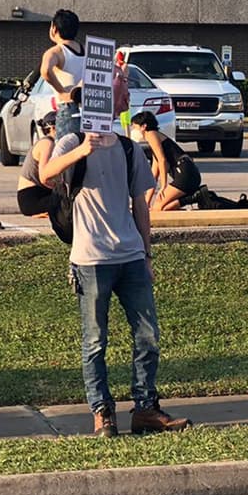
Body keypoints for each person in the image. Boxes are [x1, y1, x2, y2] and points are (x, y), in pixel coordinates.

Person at [41, 131, 191, 437]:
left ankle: (145, 408)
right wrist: (83, 150)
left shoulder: (128, 147)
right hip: (91, 258)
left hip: (131, 255)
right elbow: (45, 175)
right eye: (118, 81)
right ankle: (102, 413)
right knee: (95, 341)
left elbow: (140, 203)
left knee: (148, 335)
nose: (121, 86)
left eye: (122, 81)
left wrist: (147, 254)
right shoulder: (72, 141)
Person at [130, 111, 202, 211]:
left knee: (159, 208)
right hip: (188, 173)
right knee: (160, 208)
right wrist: (146, 203)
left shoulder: (151, 134)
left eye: (135, 127)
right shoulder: (154, 142)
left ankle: (198, 196)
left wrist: (163, 186)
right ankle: (193, 197)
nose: (133, 130)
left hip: (185, 173)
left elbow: (162, 160)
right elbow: (154, 175)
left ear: (144, 126)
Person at [39, 9, 84, 139]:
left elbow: (45, 70)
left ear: (54, 28)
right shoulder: (87, 49)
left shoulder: (55, 52)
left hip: (68, 107)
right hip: (89, 109)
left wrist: (62, 92)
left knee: (67, 152)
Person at [16, 111, 59, 217]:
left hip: (41, 193)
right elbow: (44, 177)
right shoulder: (47, 144)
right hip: (32, 197)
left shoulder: (52, 143)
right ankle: (42, 211)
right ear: (52, 128)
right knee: (71, 201)